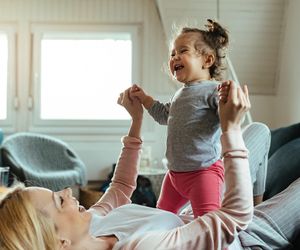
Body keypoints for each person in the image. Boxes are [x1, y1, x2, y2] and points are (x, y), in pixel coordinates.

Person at [0, 82, 299, 249]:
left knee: (258, 130)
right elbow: (232, 219)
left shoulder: (93, 224)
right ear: (60, 241)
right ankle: (262, 216)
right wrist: (229, 130)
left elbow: (119, 189)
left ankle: (258, 200)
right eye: (58, 200)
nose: (67, 191)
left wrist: (136, 122)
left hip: (204, 213)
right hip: (239, 235)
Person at [130, 19, 230, 217]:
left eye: (182, 51)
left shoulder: (213, 90)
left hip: (203, 173)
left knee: (208, 224)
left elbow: (228, 118)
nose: (175, 56)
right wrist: (145, 99)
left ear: (207, 61)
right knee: (161, 217)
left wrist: (229, 100)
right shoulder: (180, 94)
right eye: (172, 53)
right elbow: (164, 115)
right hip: (174, 175)